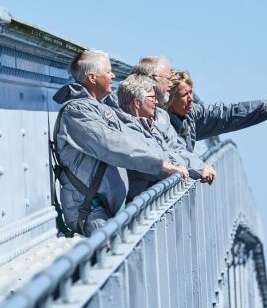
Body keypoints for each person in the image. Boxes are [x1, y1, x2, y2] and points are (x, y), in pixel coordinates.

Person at [51, 50, 188, 236]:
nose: (113, 76)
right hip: (91, 210)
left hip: (105, 209)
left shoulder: (99, 108)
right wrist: (160, 164)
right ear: (92, 77)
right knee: (118, 257)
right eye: (108, 72)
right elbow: (113, 144)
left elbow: (131, 137)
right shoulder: (77, 112)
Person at [116, 74, 216, 199]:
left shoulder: (153, 121)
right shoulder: (127, 129)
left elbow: (176, 148)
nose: (156, 102)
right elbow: (157, 158)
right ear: (137, 102)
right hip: (141, 209)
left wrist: (199, 166)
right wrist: (199, 169)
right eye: (152, 98)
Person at [165, 69, 267, 151]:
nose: (191, 99)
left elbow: (225, 114)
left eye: (191, 93)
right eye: (184, 95)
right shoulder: (160, 123)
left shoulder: (191, 114)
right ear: (170, 99)